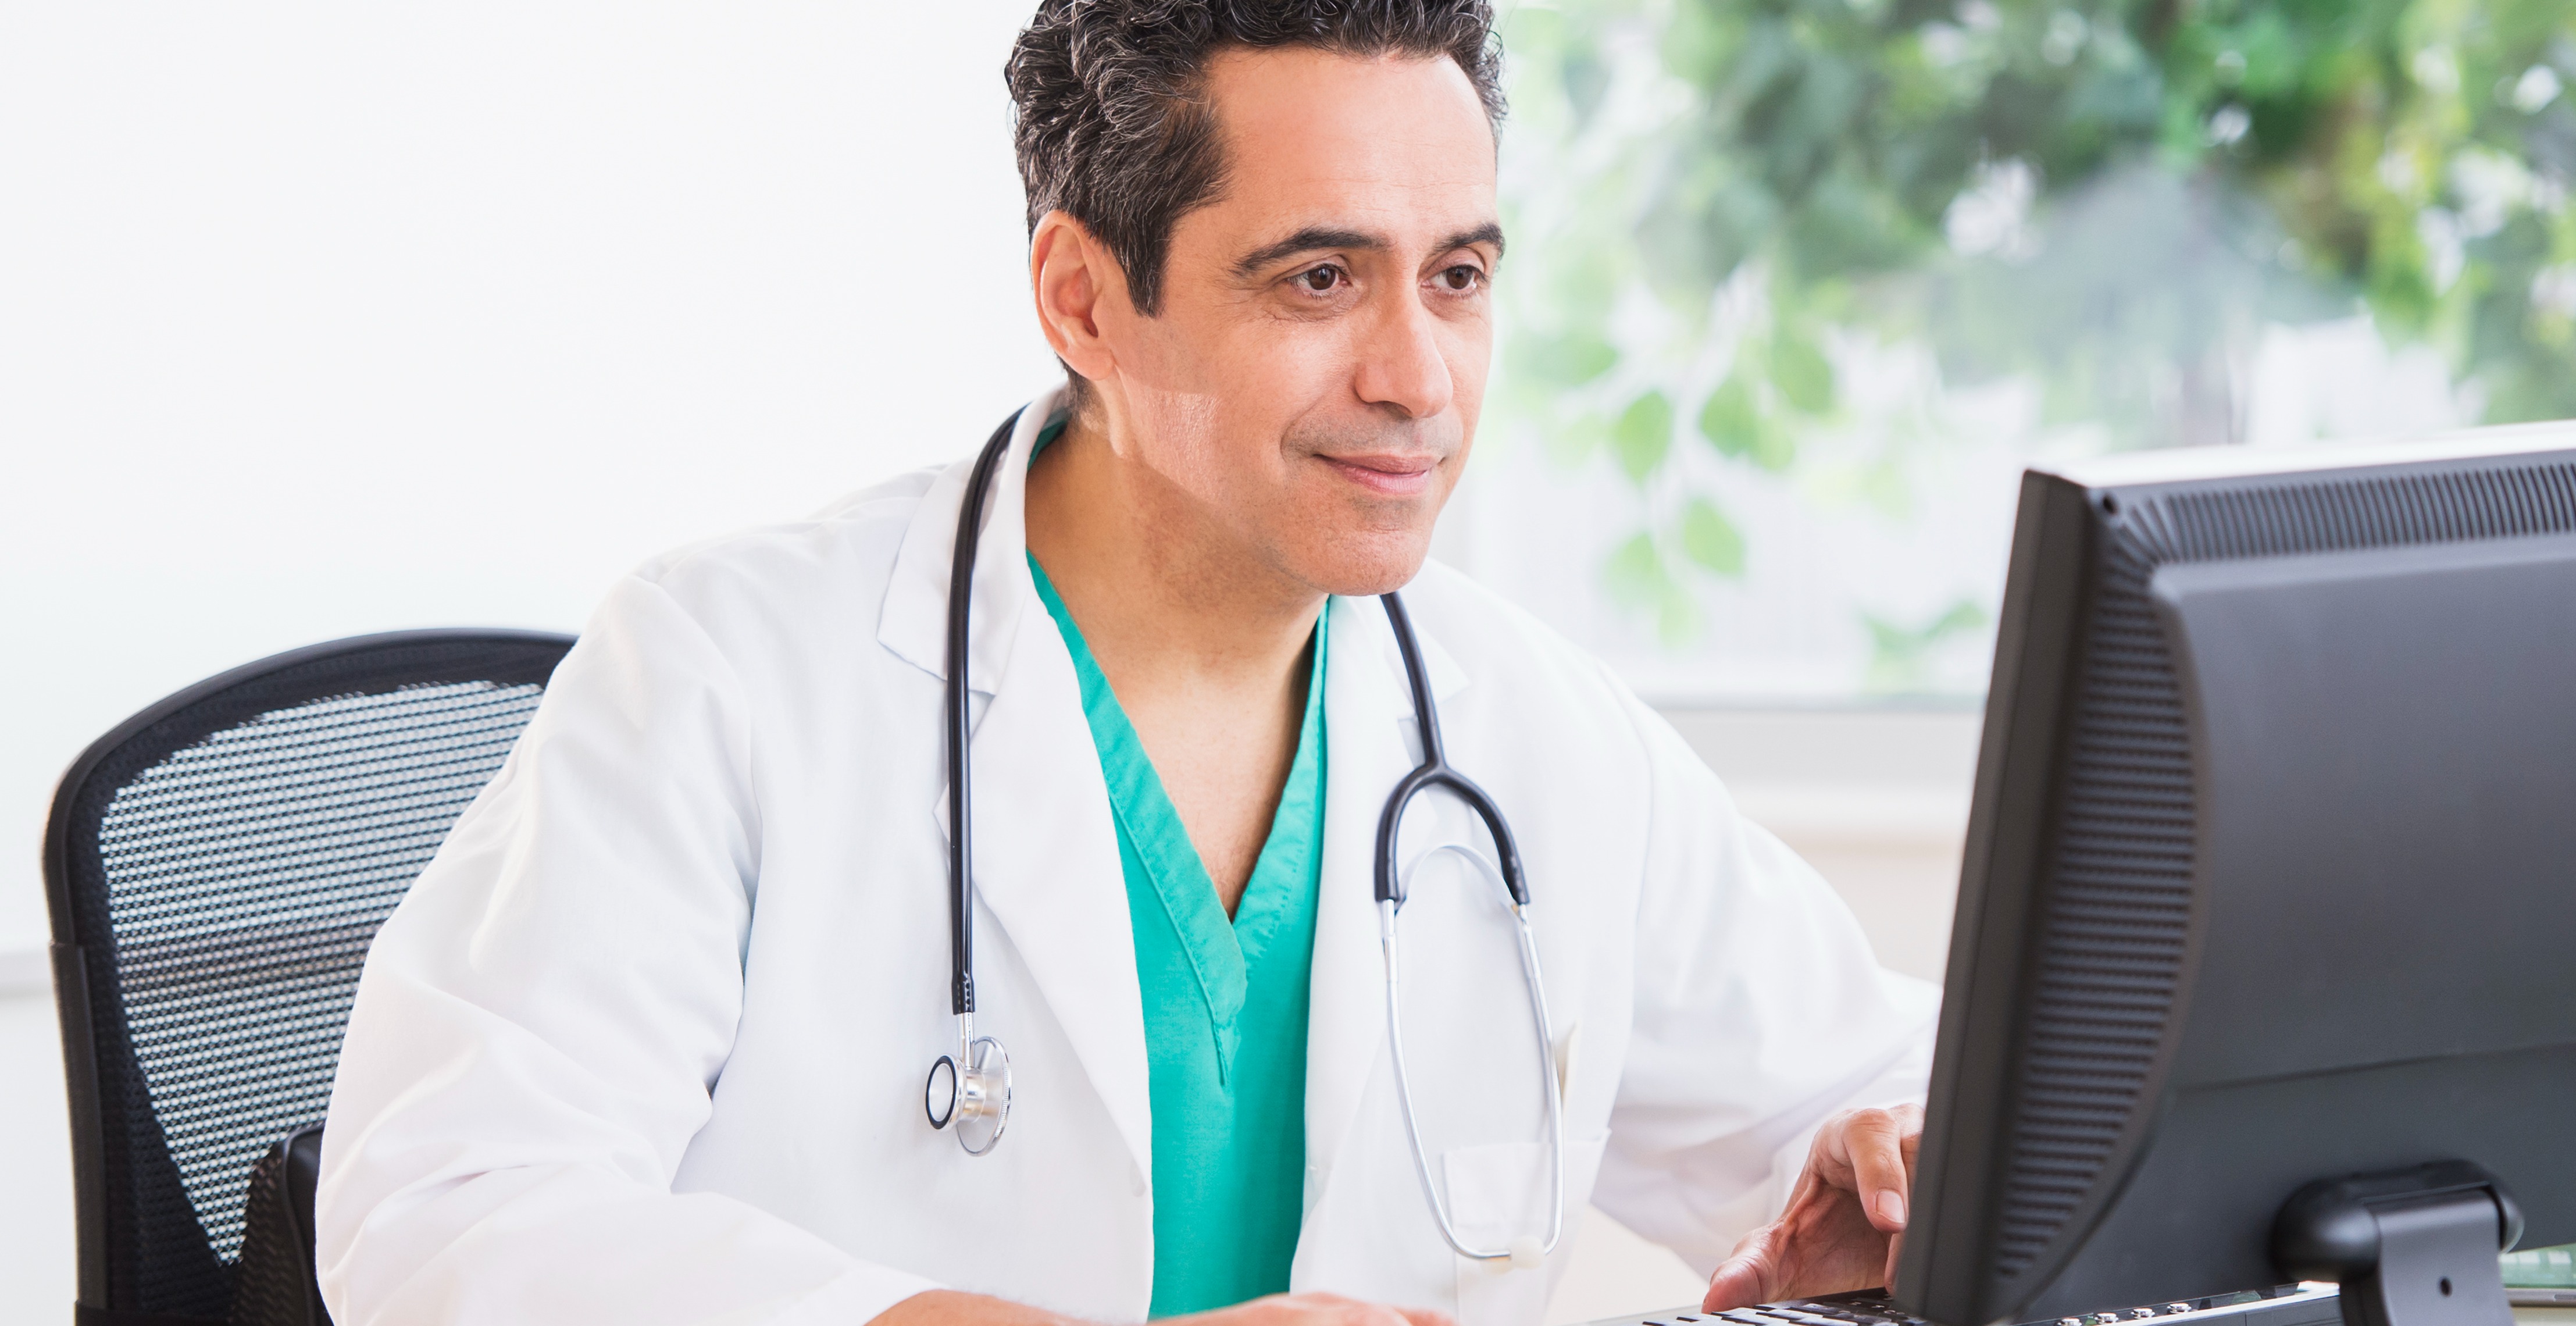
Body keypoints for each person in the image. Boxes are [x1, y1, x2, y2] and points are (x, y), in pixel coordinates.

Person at [315, 3, 1938, 1324]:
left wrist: (1903, 1190)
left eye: (1458, 276)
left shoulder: (1537, 736)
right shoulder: (731, 679)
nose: (1417, 376)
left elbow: (1879, 1096)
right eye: (1319, 277)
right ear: (1085, 302)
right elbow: (450, 1212)